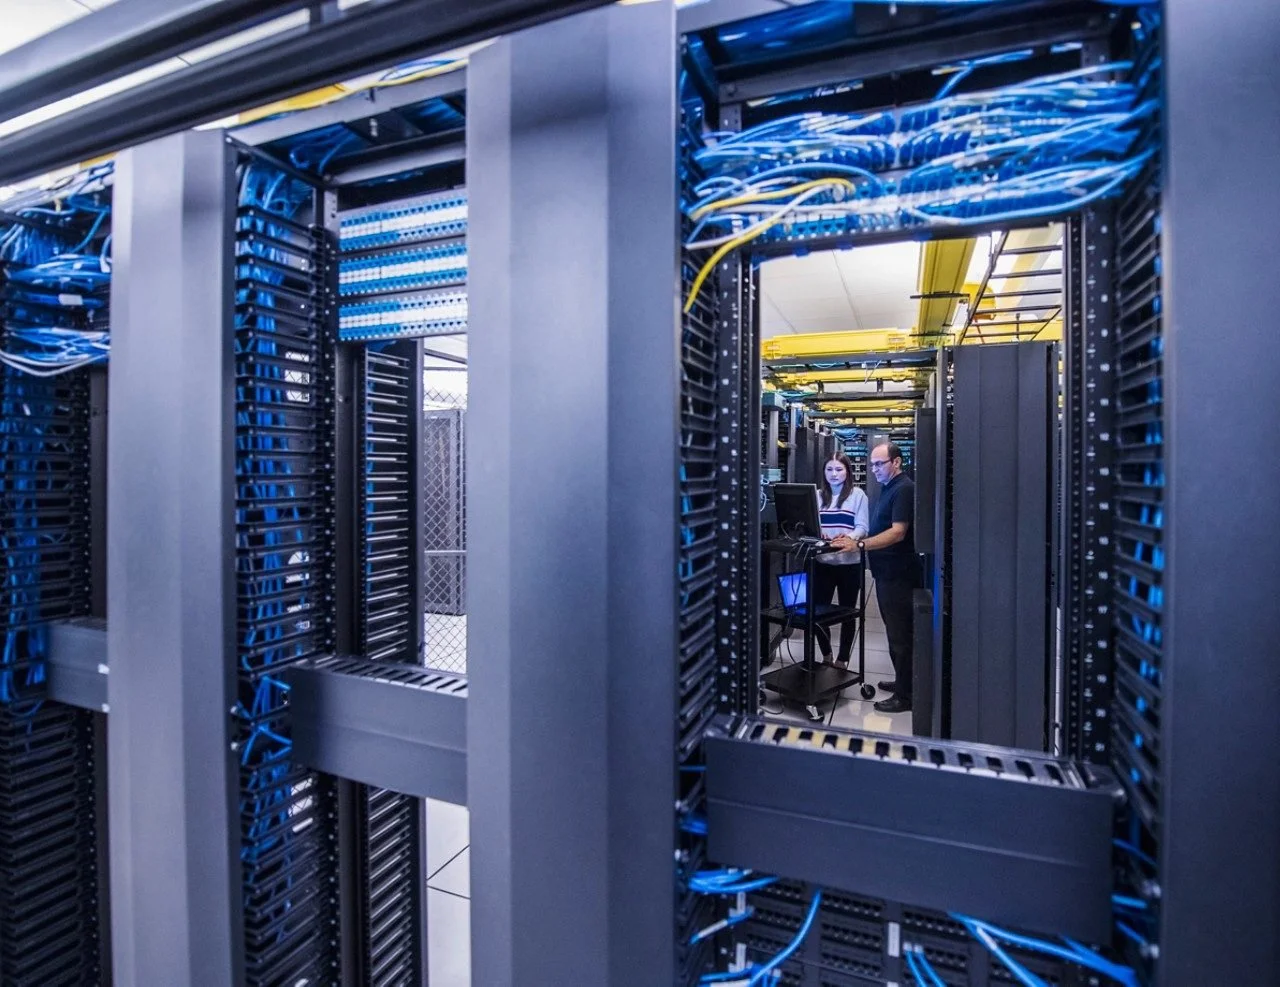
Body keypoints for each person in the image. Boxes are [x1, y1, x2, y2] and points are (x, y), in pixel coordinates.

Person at [856, 442, 918, 714]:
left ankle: (905, 696)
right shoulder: (890, 487)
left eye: (879, 464)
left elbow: (897, 532)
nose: (874, 469)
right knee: (895, 634)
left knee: (900, 636)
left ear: (896, 462)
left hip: (899, 575)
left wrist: (861, 545)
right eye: (871, 464)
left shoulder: (904, 489)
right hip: (887, 574)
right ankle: (902, 682)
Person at [813, 453, 869, 667]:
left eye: (839, 469)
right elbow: (811, 523)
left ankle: (842, 659)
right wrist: (817, 533)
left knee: (848, 612)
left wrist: (849, 538)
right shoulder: (817, 496)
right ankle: (826, 655)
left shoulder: (857, 495)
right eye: (829, 469)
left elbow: (862, 527)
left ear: (847, 472)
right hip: (823, 562)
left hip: (849, 564)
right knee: (818, 612)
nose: (834, 474)